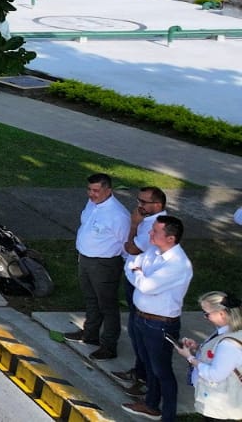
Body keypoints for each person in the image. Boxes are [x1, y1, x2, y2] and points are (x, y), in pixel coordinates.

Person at [124, 215, 194, 422]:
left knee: (162, 370)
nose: (150, 234)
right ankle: (151, 404)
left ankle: (168, 416)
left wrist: (138, 274)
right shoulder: (154, 251)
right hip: (141, 317)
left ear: (171, 238)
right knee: (148, 364)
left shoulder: (178, 264)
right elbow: (131, 264)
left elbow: (146, 286)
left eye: (155, 232)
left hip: (160, 324)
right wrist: (139, 273)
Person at [69, 172, 132, 359]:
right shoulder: (92, 204)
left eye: (96, 190)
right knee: (91, 300)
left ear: (108, 190)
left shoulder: (118, 215)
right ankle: (90, 334)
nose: (91, 194)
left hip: (105, 264)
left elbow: (125, 243)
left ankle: (109, 345)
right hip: (86, 259)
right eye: (89, 189)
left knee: (107, 305)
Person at [119, 186, 171, 394]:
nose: (139, 206)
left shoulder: (156, 226)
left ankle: (146, 381)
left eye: (144, 202)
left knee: (140, 334)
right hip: (134, 278)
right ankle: (139, 371)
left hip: (144, 286)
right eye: (138, 201)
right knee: (134, 330)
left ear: (157, 205)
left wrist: (133, 224)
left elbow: (131, 248)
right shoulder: (147, 220)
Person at [176, 291, 242, 421]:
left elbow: (214, 375)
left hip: (220, 405)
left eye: (207, 314)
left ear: (222, 314)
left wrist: (190, 358)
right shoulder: (228, 332)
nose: (205, 317)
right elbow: (220, 354)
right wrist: (199, 347)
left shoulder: (228, 344)